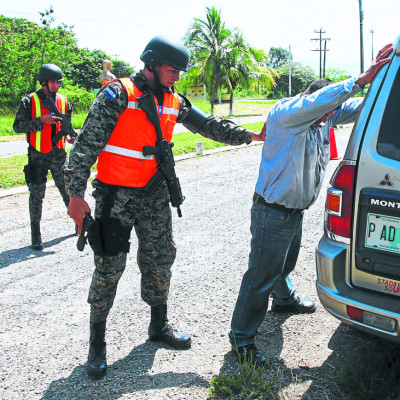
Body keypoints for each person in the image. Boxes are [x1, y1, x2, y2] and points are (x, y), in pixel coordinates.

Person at [63, 35, 265, 380]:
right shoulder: (117, 94)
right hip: (115, 197)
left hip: (154, 195)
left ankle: (158, 325)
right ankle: (97, 345)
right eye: (173, 70)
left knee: (160, 259)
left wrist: (250, 136)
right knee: (109, 267)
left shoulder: (174, 100)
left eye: (180, 71)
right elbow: (84, 146)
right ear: (152, 63)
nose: (177, 76)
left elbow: (209, 125)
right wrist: (75, 195)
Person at [228, 43, 394, 364]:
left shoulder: (324, 118)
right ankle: (242, 336)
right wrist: (361, 78)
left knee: (283, 265)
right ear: (315, 105)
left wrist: (383, 85)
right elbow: (323, 103)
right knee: (261, 274)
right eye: (327, 110)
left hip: (294, 211)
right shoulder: (288, 113)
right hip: (272, 212)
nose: (330, 117)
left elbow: (359, 106)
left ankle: (284, 299)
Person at [13, 63, 76, 251]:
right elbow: (17, 126)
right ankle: (36, 234)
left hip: (58, 154)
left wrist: (70, 135)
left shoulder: (64, 100)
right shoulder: (29, 101)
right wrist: (41, 121)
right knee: (36, 195)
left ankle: (78, 224)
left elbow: (67, 123)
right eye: (52, 82)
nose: (56, 85)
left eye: (58, 82)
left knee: (67, 190)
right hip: (37, 155)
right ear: (43, 82)